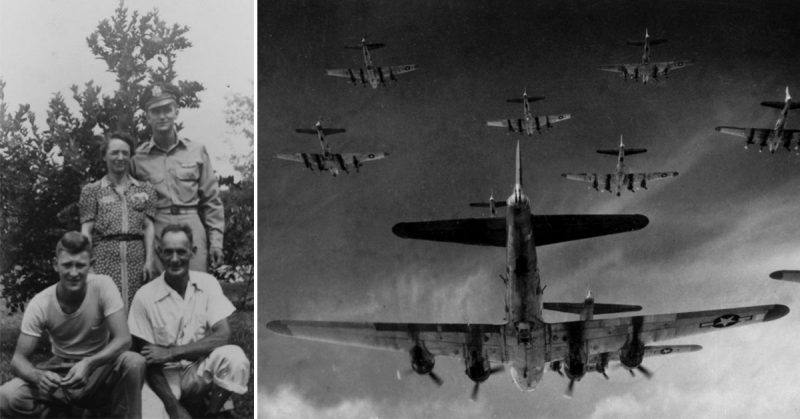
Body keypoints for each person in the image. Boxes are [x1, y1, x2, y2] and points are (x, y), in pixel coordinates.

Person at [0, 231, 145, 418]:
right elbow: (18, 360)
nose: (74, 273)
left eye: (80, 265)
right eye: (67, 265)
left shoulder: (103, 286)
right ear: (55, 265)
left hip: (98, 371)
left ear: (91, 265)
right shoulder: (41, 302)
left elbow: (124, 339)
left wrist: (89, 363)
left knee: (134, 362)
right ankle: (62, 411)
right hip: (60, 373)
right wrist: (39, 376)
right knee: (6, 397)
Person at [129, 224, 249, 418]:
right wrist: (173, 407)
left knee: (234, 357)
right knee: (149, 414)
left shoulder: (208, 283)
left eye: (181, 252)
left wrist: (171, 353)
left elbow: (223, 335)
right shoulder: (144, 296)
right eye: (168, 252)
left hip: (198, 367)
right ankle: (181, 406)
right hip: (163, 377)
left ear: (192, 252)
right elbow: (150, 362)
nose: (175, 259)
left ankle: (213, 413)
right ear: (159, 253)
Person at [131, 82, 224, 273]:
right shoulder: (137, 158)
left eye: (167, 109)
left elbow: (211, 200)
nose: (162, 116)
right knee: (157, 290)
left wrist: (216, 242)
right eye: (156, 111)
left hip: (191, 222)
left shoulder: (197, 151)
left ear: (176, 112)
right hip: (157, 227)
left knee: (197, 285)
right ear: (147, 116)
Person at [80, 131, 157, 310]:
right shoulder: (92, 190)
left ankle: (136, 339)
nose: (120, 157)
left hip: (135, 257)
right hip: (105, 256)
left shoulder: (145, 189)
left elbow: (148, 227)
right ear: (105, 156)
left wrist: (149, 260)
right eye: (115, 152)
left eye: (125, 153)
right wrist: (89, 265)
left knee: (138, 306)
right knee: (107, 306)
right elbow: (86, 230)